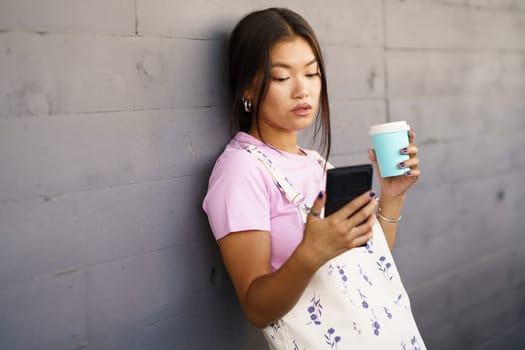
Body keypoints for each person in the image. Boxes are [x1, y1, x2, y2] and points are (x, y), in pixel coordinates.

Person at [203, 7, 426, 349]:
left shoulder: (316, 163)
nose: (303, 90)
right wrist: (309, 254)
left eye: (312, 74)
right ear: (247, 88)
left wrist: (392, 195)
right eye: (282, 77)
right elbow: (256, 308)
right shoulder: (241, 171)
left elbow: (368, 266)